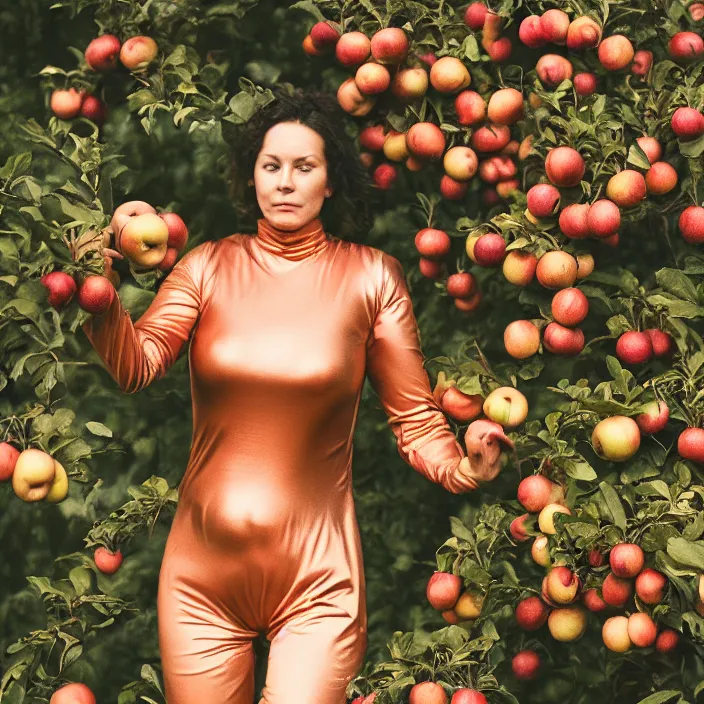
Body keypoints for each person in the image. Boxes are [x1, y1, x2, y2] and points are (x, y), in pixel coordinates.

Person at [82, 88, 512, 704]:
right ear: (252, 174)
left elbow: (416, 421)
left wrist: (466, 468)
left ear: (330, 180)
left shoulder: (371, 277)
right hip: (200, 580)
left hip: (318, 582)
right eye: (271, 165)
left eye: (304, 167)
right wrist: (94, 292)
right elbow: (138, 365)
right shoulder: (206, 266)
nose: (285, 182)